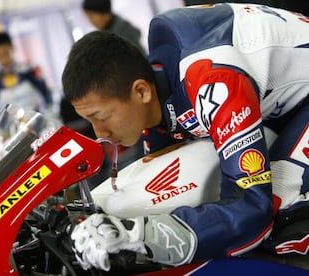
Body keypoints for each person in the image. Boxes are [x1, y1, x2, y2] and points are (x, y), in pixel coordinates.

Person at [62, 3, 309, 271]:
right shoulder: (159, 90)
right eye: (90, 121)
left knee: (279, 207)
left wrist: (142, 235)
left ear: (141, 91)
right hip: (279, 101)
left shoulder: (211, 83)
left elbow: (253, 210)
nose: (100, 133)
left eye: (101, 116)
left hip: (297, 96)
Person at [0, 31, 52, 121]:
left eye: (5, 53)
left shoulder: (30, 70)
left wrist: (49, 117)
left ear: (12, 48)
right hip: (12, 130)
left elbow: (48, 95)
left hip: (37, 122)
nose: (3, 59)